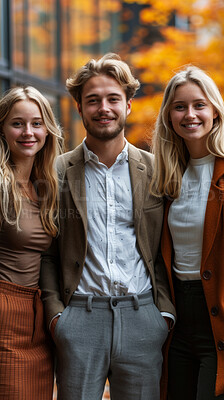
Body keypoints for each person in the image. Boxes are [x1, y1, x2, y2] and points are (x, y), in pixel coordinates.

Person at [40, 52, 176, 400]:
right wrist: (59, 317)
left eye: (113, 99)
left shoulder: (155, 169)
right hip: (79, 319)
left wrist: (162, 315)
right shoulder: (55, 173)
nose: (104, 108)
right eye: (93, 100)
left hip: (143, 317)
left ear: (128, 105)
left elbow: (165, 245)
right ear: (79, 108)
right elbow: (48, 252)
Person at [150, 65, 224, 400]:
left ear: (215, 112)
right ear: (168, 116)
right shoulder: (166, 177)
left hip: (218, 317)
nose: (190, 114)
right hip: (178, 318)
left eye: (199, 105)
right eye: (180, 107)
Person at [0, 86, 63, 399]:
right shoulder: (0, 184)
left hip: (39, 318)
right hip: (5, 314)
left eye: (37, 123)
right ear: (3, 128)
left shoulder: (48, 183)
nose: (28, 132)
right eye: (17, 123)